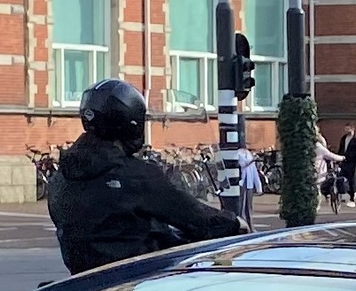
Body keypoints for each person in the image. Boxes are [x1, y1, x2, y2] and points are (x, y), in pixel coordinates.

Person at [46, 77, 243, 273]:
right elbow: (194, 216)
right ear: (132, 122)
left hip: (85, 282)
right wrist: (234, 223)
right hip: (139, 281)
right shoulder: (135, 175)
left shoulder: (61, 177)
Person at [236, 145, 263, 230]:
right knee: (241, 206)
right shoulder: (238, 154)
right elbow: (240, 165)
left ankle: (250, 226)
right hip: (242, 182)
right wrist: (249, 163)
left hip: (249, 183)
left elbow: (254, 172)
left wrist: (259, 187)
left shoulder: (249, 154)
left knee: (249, 206)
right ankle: (243, 226)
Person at [338, 127, 356, 208]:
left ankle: (352, 198)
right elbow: (340, 149)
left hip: (353, 162)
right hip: (344, 161)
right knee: (342, 177)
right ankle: (345, 194)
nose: (346, 130)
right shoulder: (343, 138)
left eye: (348, 129)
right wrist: (338, 159)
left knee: (352, 179)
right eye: (346, 128)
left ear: (353, 129)